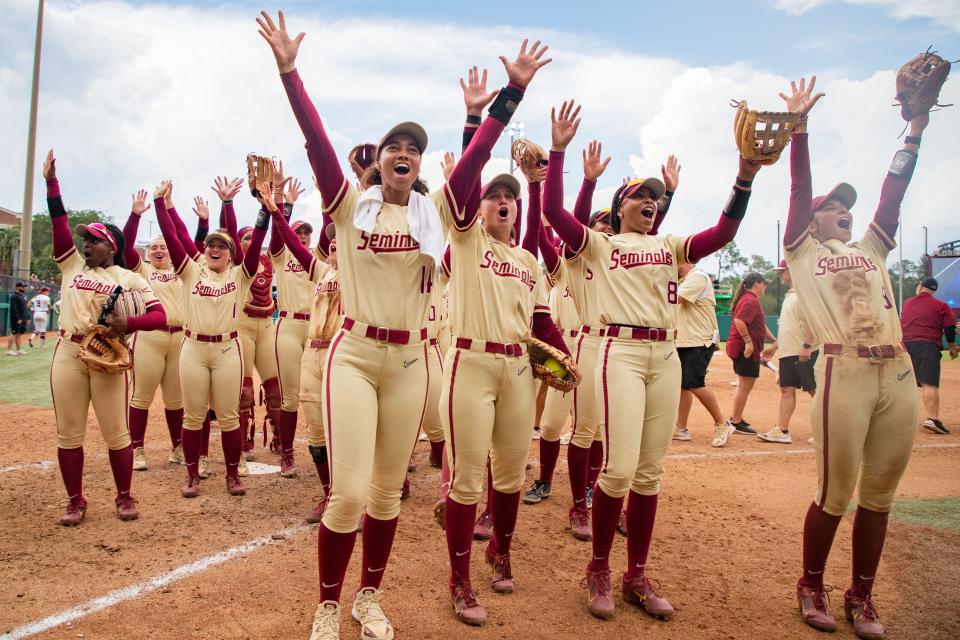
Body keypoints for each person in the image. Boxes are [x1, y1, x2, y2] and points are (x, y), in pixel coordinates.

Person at [258, 10, 542, 638]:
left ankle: (367, 598)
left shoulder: (436, 215)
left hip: (412, 361)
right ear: (380, 161)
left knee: (388, 495)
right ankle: (328, 603)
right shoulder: (347, 207)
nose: (405, 153)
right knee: (350, 494)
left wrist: (510, 94)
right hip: (355, 355)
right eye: (395, 147)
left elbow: (478, 158)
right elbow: (316, 140)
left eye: (414, 148)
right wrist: (289, 72)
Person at [542, 99, 764, 621]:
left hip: (663, 354)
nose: (650, 200)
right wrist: (559, 153)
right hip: (615, 350)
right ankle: (597, 567)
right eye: (640, 194)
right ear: (622, 206)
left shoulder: (670, 244)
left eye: (655, 196)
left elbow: (722, 233)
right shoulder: (596, 244)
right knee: (618, 467)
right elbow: (553, 215)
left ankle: (635, 573)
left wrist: (744, 178)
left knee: (649, 472)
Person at [781, 76, 929, 640]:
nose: (844, 210)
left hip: (896, 373)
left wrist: (914, 128)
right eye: (833, 207)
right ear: (813, 222)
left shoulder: (870, 248)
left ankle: (861, 594)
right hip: (844, 371)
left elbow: (893, 192)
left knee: (880, 495)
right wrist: (800, 129)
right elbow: (800, 192)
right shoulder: (802, 254)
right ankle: (811, 582)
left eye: (847, 206)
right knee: (835, 492)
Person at [43, 149, 168, 525]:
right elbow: (59, 221)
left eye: (94, 240)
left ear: (111, 246)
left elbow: (160, 316)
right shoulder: (71, 265)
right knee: (69, 433)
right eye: (86, 240)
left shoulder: (129, 279)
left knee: (116, 432)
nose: (86, 245)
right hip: (69, 351)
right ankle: (75, 499)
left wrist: (126, 326)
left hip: (108, 355)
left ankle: (124, 495)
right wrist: (52, 183)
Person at [152, 176, 271, 499]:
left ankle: (232, 474)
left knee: (230, 416)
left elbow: (256, 241)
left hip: (226, 349)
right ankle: (192, 474)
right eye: (211, 245)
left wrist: (264, 211)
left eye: (222, 246)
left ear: (231, 254)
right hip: (193, 348)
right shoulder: (190, 271)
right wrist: (159, 204)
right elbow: (173, 238)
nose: (216, 249)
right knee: (194, 415)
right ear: (204, 252)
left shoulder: (240, 274)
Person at [211, 177, 285, 465]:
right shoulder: (243, 262)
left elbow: (277, 232)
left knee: (274, 389)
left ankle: (280, 439)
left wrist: (274, 202)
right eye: (243, 238)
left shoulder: (268, 260)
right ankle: (244, 441)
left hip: (266, 326)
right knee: (243, 391)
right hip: (243, 326)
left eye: (250, 238)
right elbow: (231, 232)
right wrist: (227, 204)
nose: (250, 241)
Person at [123, 190, 188, 470]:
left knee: (176, 399)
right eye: (154, 248)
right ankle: (137, 450)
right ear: (148, 254)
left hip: (178, 337)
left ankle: (178, 448)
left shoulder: (183, 270)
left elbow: (180, 239)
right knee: (142, 396)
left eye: (163, 247)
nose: (160, 251)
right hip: (149, 338)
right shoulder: (143, 271)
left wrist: (169, 212)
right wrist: (136, 215)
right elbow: (125, 249)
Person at [757, 260, 819, 444]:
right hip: (789, 351)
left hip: (803, 351)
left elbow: (813, 321)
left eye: (782, 271)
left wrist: (807, 346)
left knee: (815, 391)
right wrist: (775, 347)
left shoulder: (805, 292)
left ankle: (827, 431)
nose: (779, 274)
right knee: (786, 389)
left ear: (793, 270)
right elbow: (789, 326)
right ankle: (782, 430)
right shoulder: (791, 294)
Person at [722, 272, 776, 444]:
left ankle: (736, 417)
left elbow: (760, 324)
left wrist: (773, 340)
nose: (765, 287)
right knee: (745, 385)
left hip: (741, 348)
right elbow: (739, 321)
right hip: (744, 349)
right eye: (764, 283)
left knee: (744, 385)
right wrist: (749, 343)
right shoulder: (750, 300)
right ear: (756, 283)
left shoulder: (749, 299)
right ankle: (736, 422)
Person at [674, 262, 725, 442]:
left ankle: (722, 424)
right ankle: (681, 428)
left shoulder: (697, 277)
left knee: (695, 384)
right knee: (684, 386)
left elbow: (674, 299)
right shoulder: (684, 280)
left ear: (686, 261)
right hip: (687, 340)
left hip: (699, 340)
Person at [901, 277, 957, 434]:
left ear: (920, 287)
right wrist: (952, 347)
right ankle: (932, 419)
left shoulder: (907, 303)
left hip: (903, 347)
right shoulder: (941, 305)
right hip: (926, 346)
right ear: (934, 291)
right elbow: (950, 328)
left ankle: (899, 419)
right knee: (929, 384)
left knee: (903, 385)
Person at [6, 281, 28, 355]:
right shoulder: (14, 296)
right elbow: (13, 308)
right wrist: (18, 318)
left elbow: (25, 308)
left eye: (24, 287)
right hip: (16, 319)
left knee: (19, 334)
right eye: (22, 286)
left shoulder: (23, 296)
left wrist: (27, 318)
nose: (24, 288)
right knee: (14, 333)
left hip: (23, 318)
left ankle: (19, 349)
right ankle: (9, 350)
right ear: (18, 287)